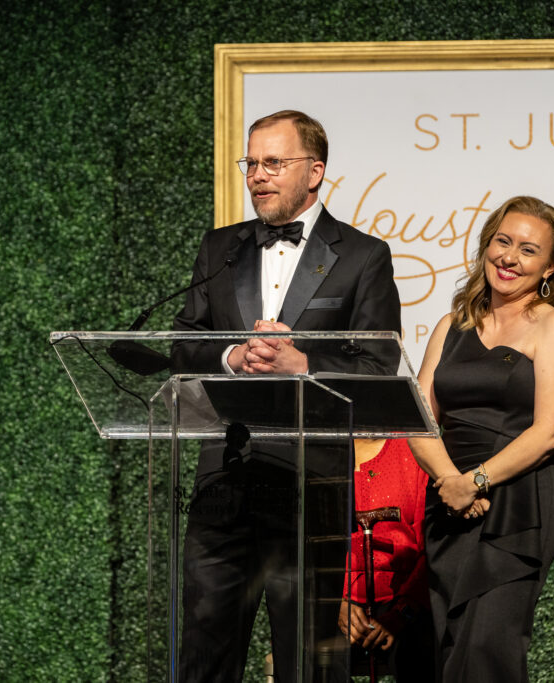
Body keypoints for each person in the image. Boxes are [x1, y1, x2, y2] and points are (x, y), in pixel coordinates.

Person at [171, 110, 402, 683]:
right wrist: (231, 357)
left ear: (315, 170)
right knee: (204, 655)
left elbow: (378, 364)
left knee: (309, 662)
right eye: (252, 163)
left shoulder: (363, 256)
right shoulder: (221, 248)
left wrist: (302, 363)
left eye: (274, 162)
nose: (258, 175)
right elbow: (183, 343)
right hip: (225, 481)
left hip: (310, 488)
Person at [410, 195, 554, 682]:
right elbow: (419, 419)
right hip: (448, 499)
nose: (509, 257)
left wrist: (478, 481)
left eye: (528, 250)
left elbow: (549, 432)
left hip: (517, 502)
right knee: (451, 642)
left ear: (550, 267)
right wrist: (452, 480)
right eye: (502, 242)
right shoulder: (451, 326)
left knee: (489, 646)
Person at [334, 438, 434, 682]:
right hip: (338, 601)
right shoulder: (324, 446)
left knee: (418, 650)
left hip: (403, 598)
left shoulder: (415, 449)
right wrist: (335, 602)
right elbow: (308, 545)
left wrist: (403, 612)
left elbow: (430, 547)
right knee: (317, 656)